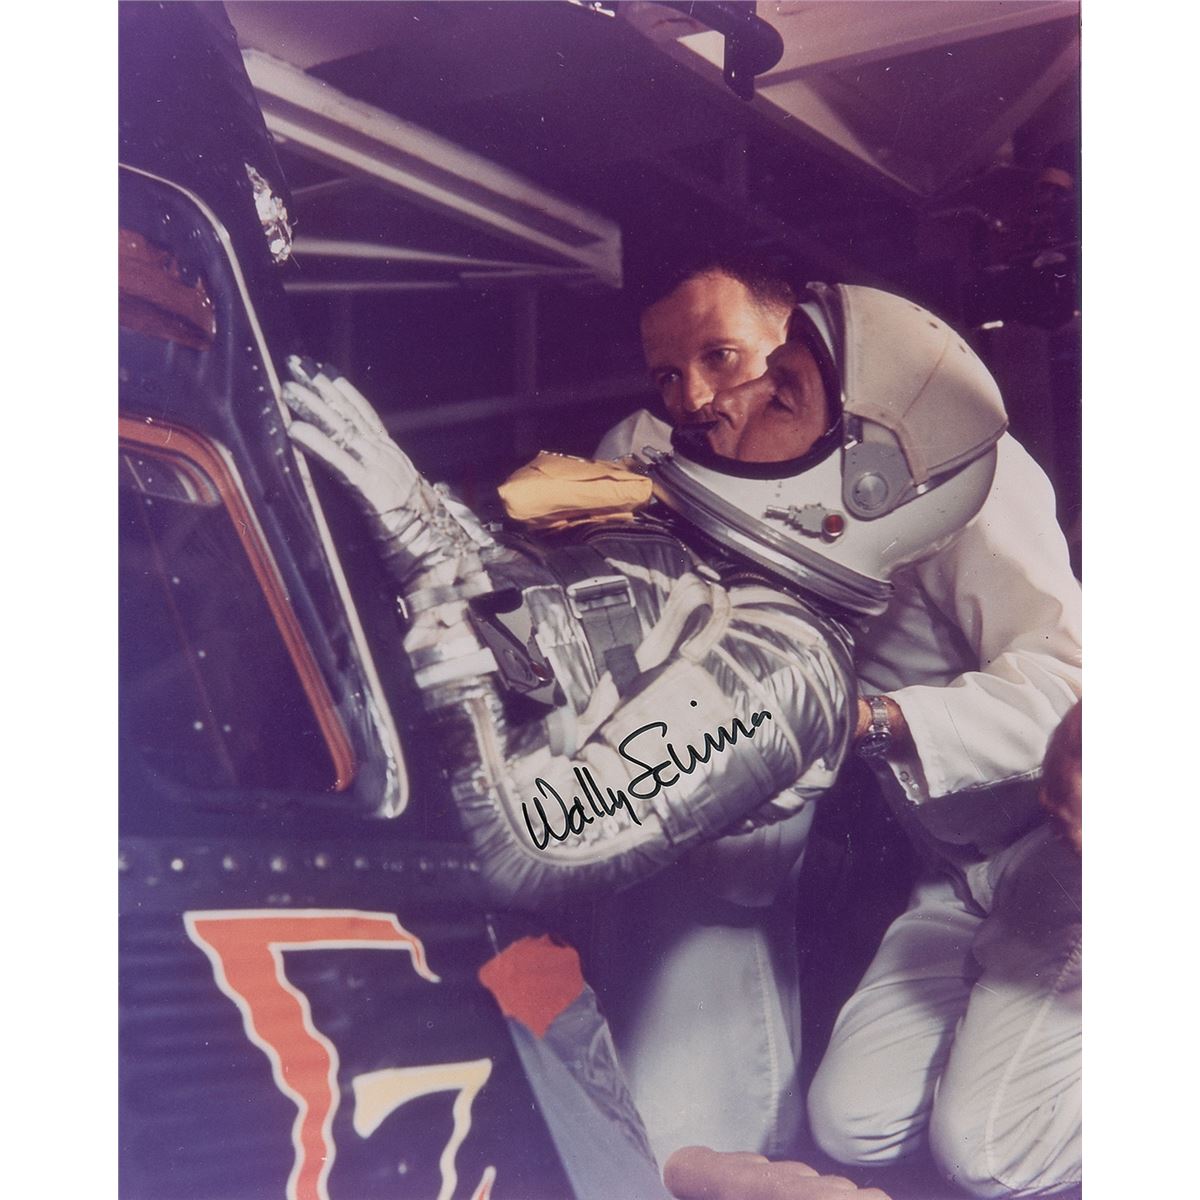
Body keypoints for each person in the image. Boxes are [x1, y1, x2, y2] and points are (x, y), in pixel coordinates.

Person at [280, 279, 1009, 1186]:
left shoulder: (790, 667)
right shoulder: (699, 562)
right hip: (595, 969)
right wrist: (422, 527)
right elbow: (546, 626)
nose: (726, 402)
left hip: (691, 1039)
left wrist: (443, 624)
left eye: (778, 392)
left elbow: (526, 845)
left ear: (865, 486)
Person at [598, 257, 1082, 1197]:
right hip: (951, 872)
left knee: (987, 1149)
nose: (697, 398)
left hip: (1053, 848)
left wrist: (864, 722)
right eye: (668, 375)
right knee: (853, 1125)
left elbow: (1072, 687)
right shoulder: (715, 474)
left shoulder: (955, 465)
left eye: (725, 359)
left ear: (799, 352)